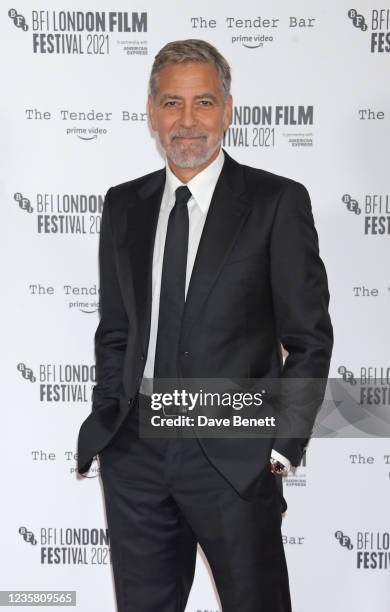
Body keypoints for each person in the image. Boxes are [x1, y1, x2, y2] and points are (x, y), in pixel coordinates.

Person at [77, 39, 333, 612]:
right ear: (151, 111)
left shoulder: (276, 203)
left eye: (204, 103)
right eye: (172, 103)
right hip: (136, 453)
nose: (187, 121)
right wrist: (111, 421)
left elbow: (309, 340)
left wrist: (281, 449)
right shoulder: (124, 206)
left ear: (228, 109)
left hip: (234, 453)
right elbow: (115, 330)